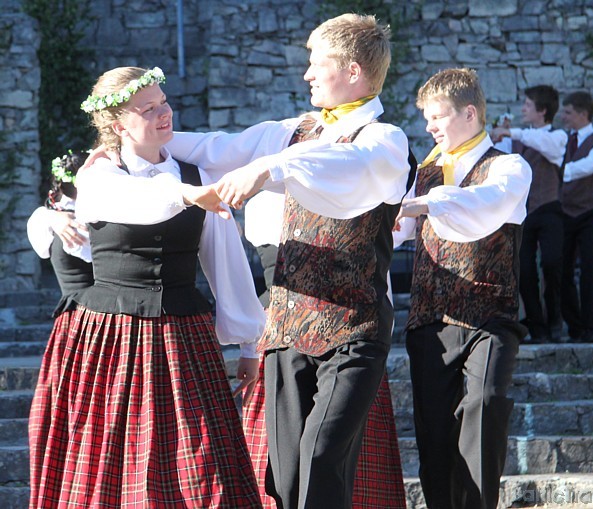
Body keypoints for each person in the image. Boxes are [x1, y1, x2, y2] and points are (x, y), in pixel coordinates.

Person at [167, 14, 413, 509]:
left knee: (322, 456)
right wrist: (134, 142)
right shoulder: (288, 131)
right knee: (283, 474)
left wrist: (271, 167)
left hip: (353, 328)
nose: (306, 74)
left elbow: (346, 169)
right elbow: (215, 148)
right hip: (285, 326)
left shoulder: (385, 140)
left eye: (315, 63)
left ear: (351, 70)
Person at [31, 66, 266, 508]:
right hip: (108, 335)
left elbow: (226, 259)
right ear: (118, 125)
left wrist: (250, 345)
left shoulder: (196, 176)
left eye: (164, 103)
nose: (164, 113)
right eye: (149, 108)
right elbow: (136, 204)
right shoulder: (99, 175)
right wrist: (187, 195)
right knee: (106, 459)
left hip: (182, 335)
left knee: (200, 460)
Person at [393, 68, 531, 509]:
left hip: (491, 316)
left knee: (487, 403)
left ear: (469, 113)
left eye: (437, 117)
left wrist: (427, 203)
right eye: (427, 119)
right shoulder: (425, 172)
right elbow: (395, 231)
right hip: (430, 321)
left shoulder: (508, 167)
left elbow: (485, 204)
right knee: (434, 438)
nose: (429, 127)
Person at [242, 182, 406, 509]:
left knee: (328, 453)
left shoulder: (352, 185)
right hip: (282, 333)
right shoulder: (263, 201)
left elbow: (378, 250)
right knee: (284, 467)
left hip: (348, 331)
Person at [27, 151, 95, 508]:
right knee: (74, 412)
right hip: (82, 325)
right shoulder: (54, 219)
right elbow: (38, 220)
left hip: (83, 323)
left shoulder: (61, 217)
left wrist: (51, 215)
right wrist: (53, 216)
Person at [491, 85, 568, 343]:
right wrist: (498, 137)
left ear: (542, 111)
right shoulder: (520, 139)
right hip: (526, 214)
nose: (522, 108)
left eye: (527, 105)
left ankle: (555, 319)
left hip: (550, 210)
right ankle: (538, 328)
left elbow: (545, 145)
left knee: (552, 263)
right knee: (524, 271)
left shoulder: (557, 137)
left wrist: (511, 132)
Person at [559, 91, 593, 343]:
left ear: (582, 114)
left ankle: (589, 328)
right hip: (563, 211)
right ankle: (575, 327)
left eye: (568, 112)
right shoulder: (561, 140)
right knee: (561, 270)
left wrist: (559, 171)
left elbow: (591, 165)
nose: (563, 116)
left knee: (591, 267)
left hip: (591, 213)